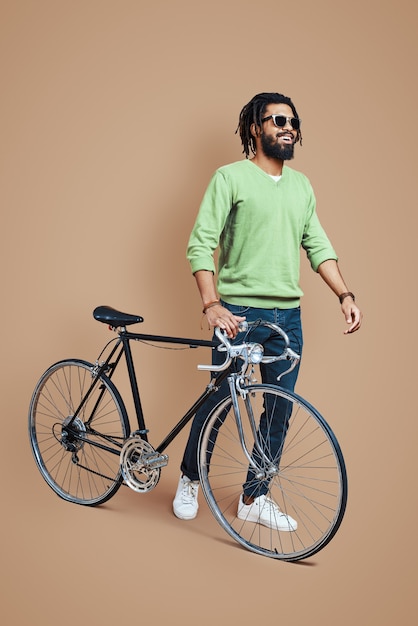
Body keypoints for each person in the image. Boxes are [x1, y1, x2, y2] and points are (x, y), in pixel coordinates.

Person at [173, 92, 362, 530]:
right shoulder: (230, 177)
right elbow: (201, 243)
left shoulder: (301, 187)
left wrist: (345, 296)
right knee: (220, 399)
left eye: (292, 121)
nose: (287, 127)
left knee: (280, 410)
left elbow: (317, 245)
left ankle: (254, 497)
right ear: (255, 128)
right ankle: (188, 478)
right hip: (237, 312)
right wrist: (211, 303)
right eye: (277, 120)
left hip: (287, 319)